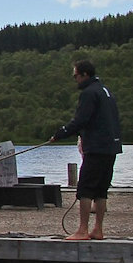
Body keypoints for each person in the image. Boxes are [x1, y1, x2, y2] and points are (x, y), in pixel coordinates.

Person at [51, 59, 123, 240]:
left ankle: (83, 230)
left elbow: (81, 120)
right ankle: (98, 229)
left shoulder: (89, 93)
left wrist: (61, 133)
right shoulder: (106, 91)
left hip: (96, 147)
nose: (75, 79)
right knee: (101, 190)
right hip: (111, 146)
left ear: (85, 75)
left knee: (85, 189)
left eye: (75, 76)